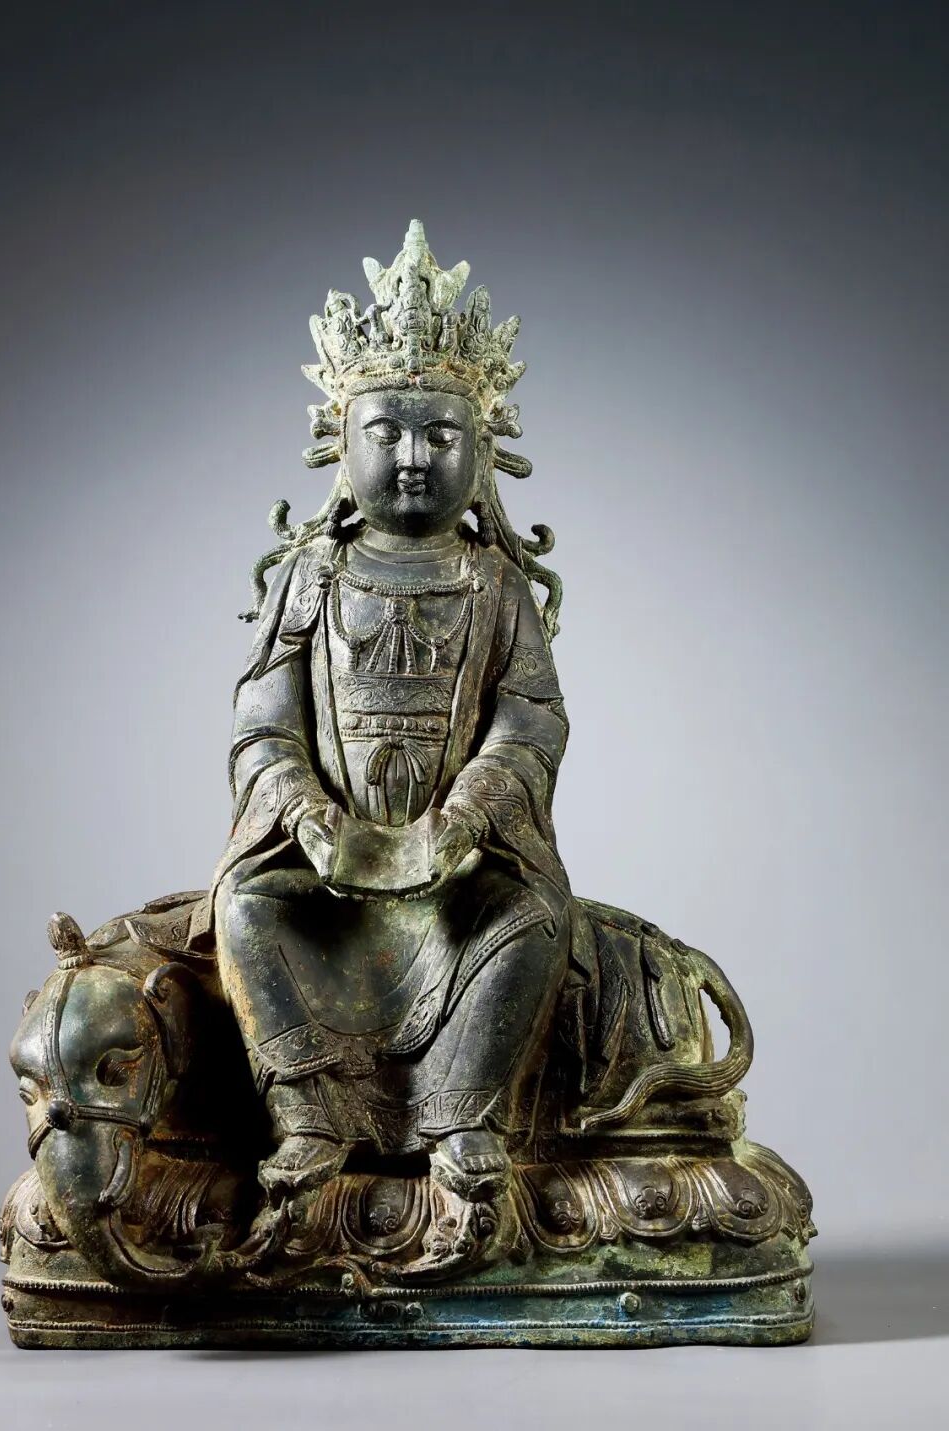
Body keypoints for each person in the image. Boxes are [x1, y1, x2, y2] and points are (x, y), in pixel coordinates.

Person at [212, 223, 574, 1222]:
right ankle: (308, 1116)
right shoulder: (309, 578)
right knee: (244, 907)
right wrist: (307, 816)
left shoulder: (496, 586)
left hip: (458, 868)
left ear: (481, 453)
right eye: (389, 434)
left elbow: (531, 720)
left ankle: (464, 1117)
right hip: (327, 867)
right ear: (343, 442)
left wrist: (471, 815)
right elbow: (262, 729)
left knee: (534, 919)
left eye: (440, 437)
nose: (414, 458)